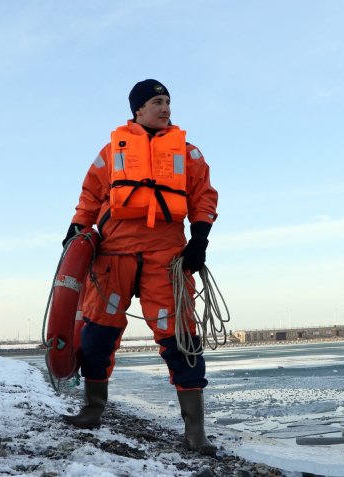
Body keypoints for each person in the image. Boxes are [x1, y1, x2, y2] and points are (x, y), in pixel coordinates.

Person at [60, 79, 218, 455]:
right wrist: (76, 231)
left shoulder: (188, 153)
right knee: (97, 337)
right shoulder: (111, 152)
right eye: (157, 102)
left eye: (168, 102)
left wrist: (200, 240)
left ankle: (195, 431)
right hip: (113, 257)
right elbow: (90, 194)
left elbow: (203, 197)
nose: (165, 108)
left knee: (181, 341)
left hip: (165, 258)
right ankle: (92, 409)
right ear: (138, 110)